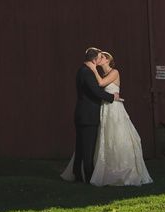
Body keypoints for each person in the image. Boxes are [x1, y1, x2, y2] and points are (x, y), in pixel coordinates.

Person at [87, 51, 153, 186]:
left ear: (106, 59)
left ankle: (124, 170)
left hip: (115, 109)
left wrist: (93, 69)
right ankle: (106, 169)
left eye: (100, 57)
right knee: (106, 136)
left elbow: (101, 83)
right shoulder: (104, 74)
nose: (98, 60)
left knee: (117, 135)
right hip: (105, 108)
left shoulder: (114, 72)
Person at [65, 46, 120, 183]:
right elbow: (96, 91)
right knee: (87, 148)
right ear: (95, 59)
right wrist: (113, 97)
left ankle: (77, 173)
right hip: (88, 116)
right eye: (99, 57)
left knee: (80, 147)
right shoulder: (87, 72)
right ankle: (88, 176)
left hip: (82, 114)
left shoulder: (81, 70)